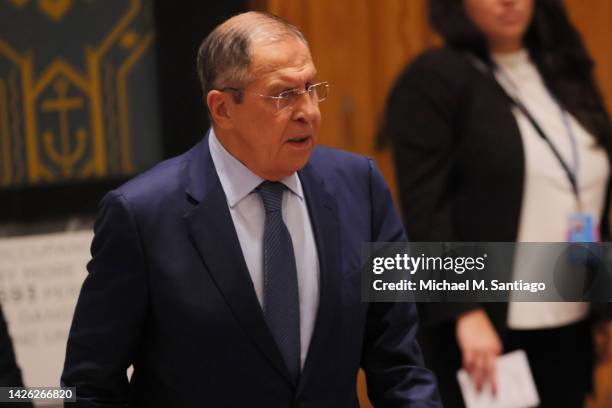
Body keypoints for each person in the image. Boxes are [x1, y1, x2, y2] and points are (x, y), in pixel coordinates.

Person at [61, 11, 442, 408]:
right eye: (283, 95)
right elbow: (89, 386)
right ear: (223, 109)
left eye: (310, 87)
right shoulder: (141, 214)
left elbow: (399, 364)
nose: (308, 111)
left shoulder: (359, 186)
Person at [381, 0, 612, 407]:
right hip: (484, 326)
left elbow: (586, 200)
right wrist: (465, 312)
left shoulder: (562, 72)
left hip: (569, 321)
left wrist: (602, 304)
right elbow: (425, 211)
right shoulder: (435, 77)